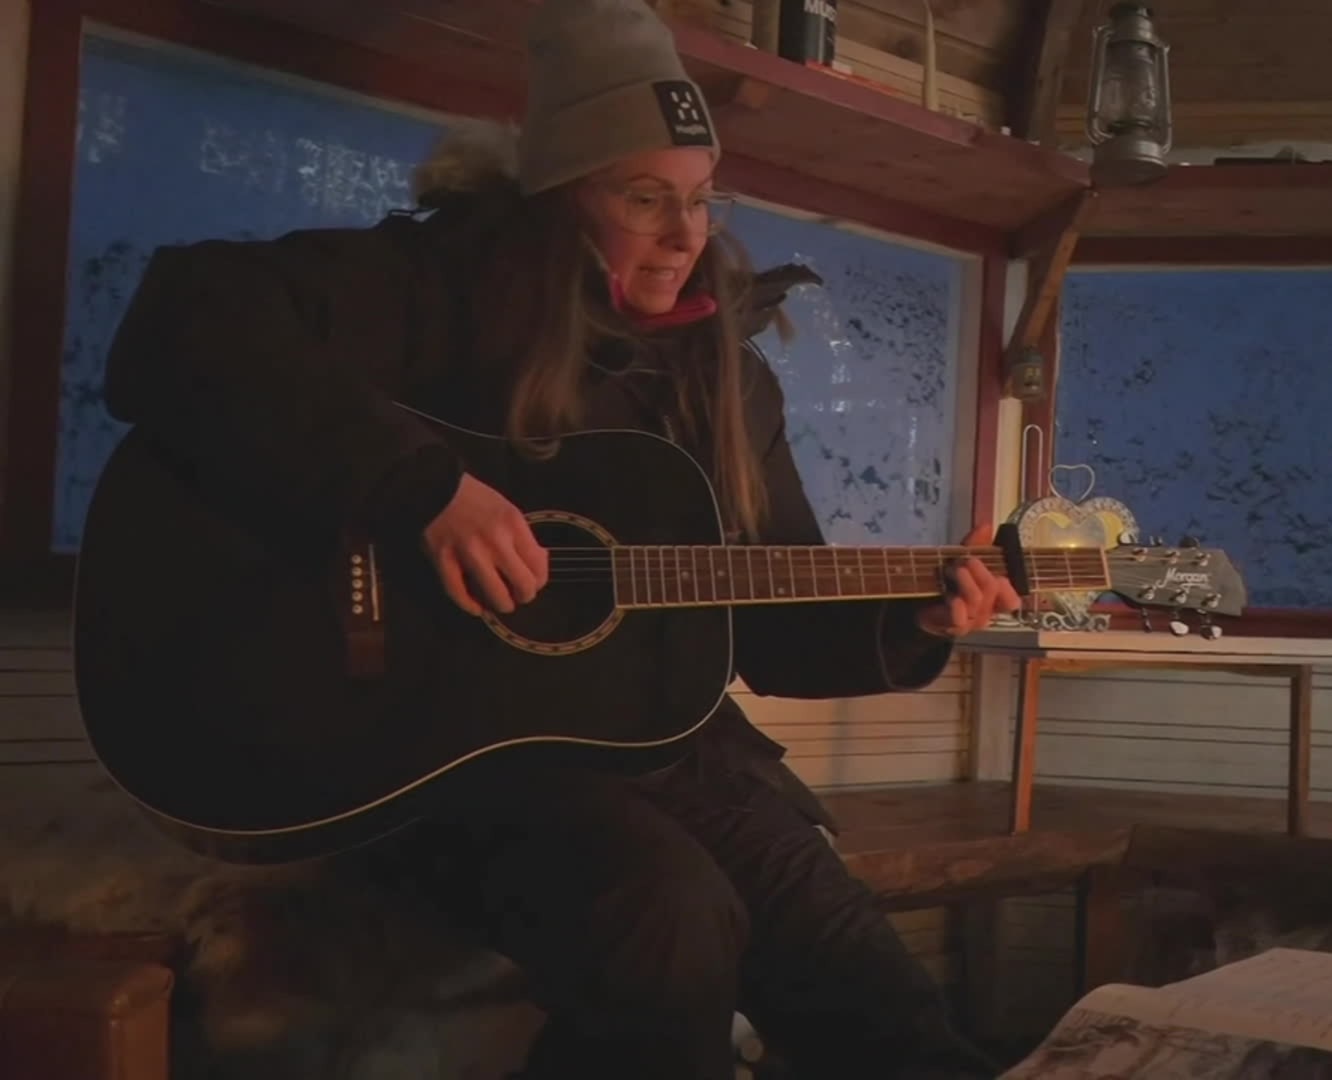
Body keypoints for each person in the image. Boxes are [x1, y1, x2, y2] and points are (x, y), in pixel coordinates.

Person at [98, 0, 1022, 1076]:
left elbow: (770, 629)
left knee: (871, 989)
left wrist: (914, 618)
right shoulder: (440, 284)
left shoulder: (726, 378)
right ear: (557, 192)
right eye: (645, 199)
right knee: (667, 920)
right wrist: (421, 490)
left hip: (669, 753)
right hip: (425, 758)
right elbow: (187, 317)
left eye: (700, 200)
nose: (687, 236)